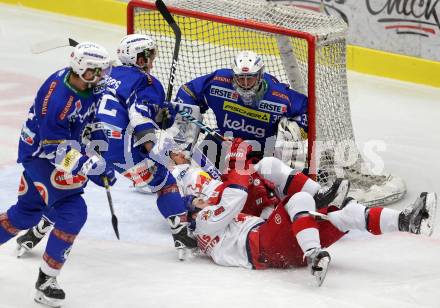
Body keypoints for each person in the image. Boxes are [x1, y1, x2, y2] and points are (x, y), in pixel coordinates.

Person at [16, 34, 197, 260]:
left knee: (65, 194)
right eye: (149, 55)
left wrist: (161, 113)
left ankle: (36, 232)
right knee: (164, 182)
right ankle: (181, 234)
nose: (152, 61)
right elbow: (141, 121)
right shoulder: (148, 82)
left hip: (86, 142)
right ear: (139, 58)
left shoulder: (104, 74)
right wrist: (161, 150)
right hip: (120, 148)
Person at [170, 139, 437, 286]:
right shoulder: (204, 224)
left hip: (282, 246)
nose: (201, 201)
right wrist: (238, 161)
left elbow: (243, 198)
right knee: (299, 199)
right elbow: (234, 196)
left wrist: (248, 170)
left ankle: (406, 221)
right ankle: (313, 252)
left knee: (344, 213)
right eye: (196, 201)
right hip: (265, 245)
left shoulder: (211, 217)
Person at [0, 42, 114, 307]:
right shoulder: (58, 99)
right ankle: (46, 282)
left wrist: (99, 152)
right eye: (94, 72)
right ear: (80, 69)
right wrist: (89, 165)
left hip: (56, 153)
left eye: (102, 71)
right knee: (73, 212)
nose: (100, 77)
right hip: (42, 157)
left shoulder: (86, 85)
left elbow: (91, 121)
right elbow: (56, 151)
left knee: (25, 214)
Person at [174, 50, 308, 169]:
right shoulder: (219, 82)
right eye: (240, 78)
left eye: (250, 78)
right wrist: (189, 116)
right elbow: (188, 91)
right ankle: (180, 156)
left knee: (290, 128)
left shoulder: (279, 96)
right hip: (223, 142)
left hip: (262, 152)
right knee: (193, 174)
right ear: (233, 75)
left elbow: (305, 108)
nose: (245, 84)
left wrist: (301, 131)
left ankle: (291, 176)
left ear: (260, 76)